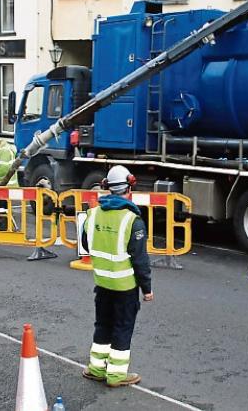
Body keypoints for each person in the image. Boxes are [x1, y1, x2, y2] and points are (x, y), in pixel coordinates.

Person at [81, 165, 153, 388]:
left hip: (102, 283)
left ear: (107, 187)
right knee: (122, 327)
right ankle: (116, 375)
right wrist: (147, 289)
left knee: (102, 324)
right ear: (129, 188)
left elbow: (86, 244)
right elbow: (140, 260)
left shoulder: (93, 214)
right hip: (125, 286)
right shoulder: (132, 220)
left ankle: (96, 368)